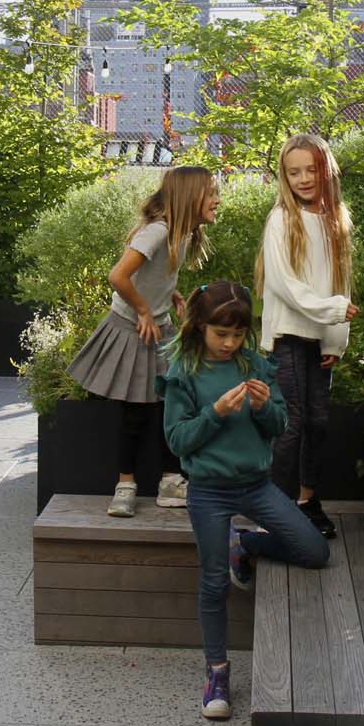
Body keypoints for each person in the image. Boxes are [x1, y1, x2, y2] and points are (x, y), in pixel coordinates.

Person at [161, 281, 330, 721]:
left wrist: (261, 408)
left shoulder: (254, 363)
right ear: (200, 326)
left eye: (237, 334)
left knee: (315, 551)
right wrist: (214, 414)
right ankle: (216, 672)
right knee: (214, 582)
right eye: (221, 334)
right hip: (208, 491)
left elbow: (279, 425)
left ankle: (248, 544)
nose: (230, 343)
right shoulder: (184, 370)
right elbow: (178, 440)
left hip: (256, 484)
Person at [67, 165, 220, 517]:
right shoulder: (157, 232)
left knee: (172, 406)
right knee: (135, 412)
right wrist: (144, 311)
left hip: (159, 326)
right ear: (189, 198)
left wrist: (171, 297)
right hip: (134, 329)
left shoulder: (182, 234)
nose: (217, 200)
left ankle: (170, 482)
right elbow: (118, 276)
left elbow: (152, 277)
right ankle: (125, 486)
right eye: (211, 193)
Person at [255, 133, 358, 539]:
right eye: (293, 171)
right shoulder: (282, 219)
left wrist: (335, 338)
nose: (302, 178)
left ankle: (306, 501)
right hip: (288, 336)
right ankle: (275, 510)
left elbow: (340, 283)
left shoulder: (336, 220)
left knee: (317, 422)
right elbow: (282, 284)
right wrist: (330, 311)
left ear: (325, 169)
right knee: (292, 423)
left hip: (320, 337)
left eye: (310, 169)